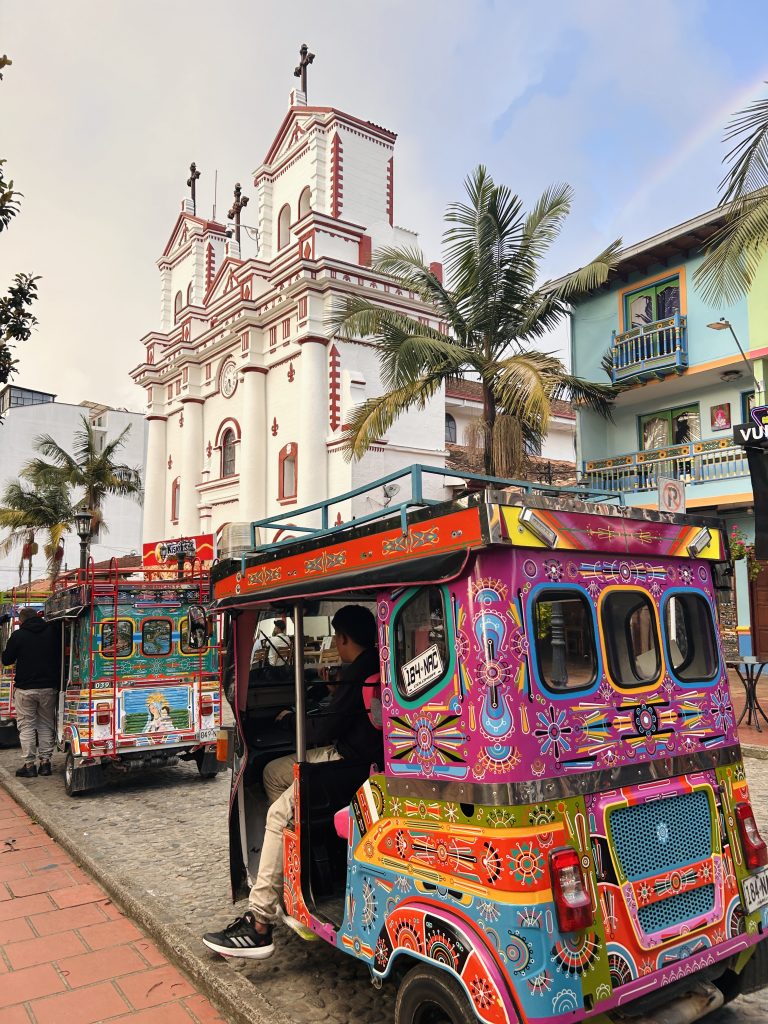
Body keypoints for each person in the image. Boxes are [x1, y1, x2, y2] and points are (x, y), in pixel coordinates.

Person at [203, 604, 380, 959]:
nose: (334, 642)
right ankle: (293, 866)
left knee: (277, 815)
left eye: (336, 637)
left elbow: (326, 726)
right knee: (272, 773)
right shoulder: (378, 664)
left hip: (348, 761)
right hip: (360, 758)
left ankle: (259, 921)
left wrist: (290, 721)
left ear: (344, 638)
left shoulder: (359, 671)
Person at [1, 607, 61, 778]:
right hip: (49, 687)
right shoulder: (52, 632)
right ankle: (45, 763)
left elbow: (7, 660)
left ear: (22, 620)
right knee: (45, 725)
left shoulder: (18, 635)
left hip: (25, 689)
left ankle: (29, 765)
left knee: (26, 726)